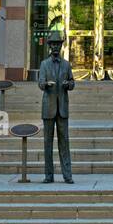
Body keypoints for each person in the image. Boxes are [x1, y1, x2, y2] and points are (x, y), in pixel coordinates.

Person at [37, 28, 74, 183]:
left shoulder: (66, 65)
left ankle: (67, 175)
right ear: (49, 46)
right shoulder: (44, 64)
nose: (56, 47)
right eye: (53, 44)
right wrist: (46, 84)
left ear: (61, 46)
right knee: (47, 143)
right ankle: (48, 175)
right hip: (49, 108)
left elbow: (72, 82)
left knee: (64, 142)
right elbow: (40, 83)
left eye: (58, 44)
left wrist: (68, 84)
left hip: (62, 109)